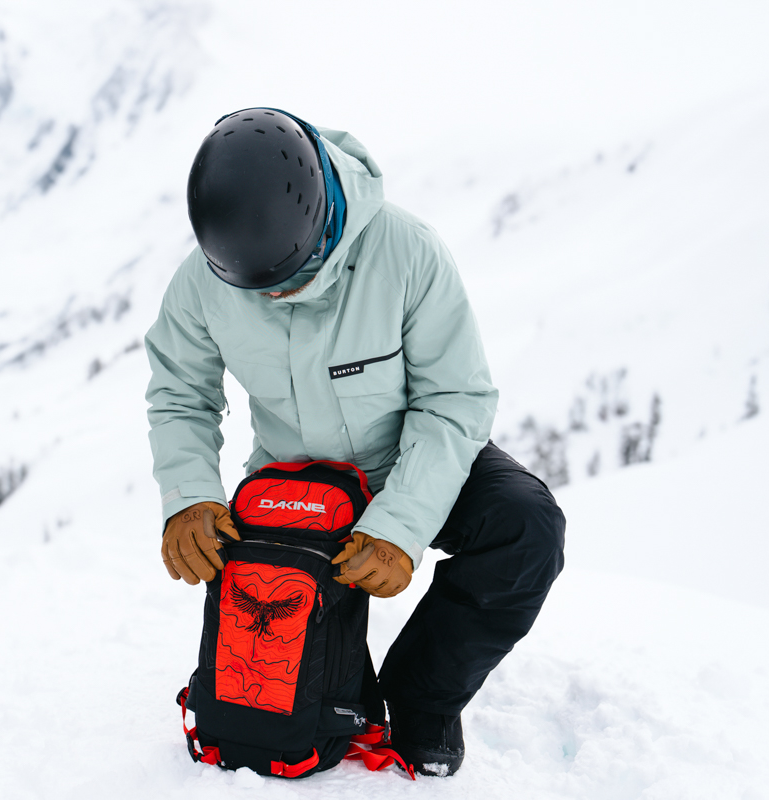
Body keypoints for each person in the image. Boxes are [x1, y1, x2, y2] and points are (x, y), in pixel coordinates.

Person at [145, 108, 565, 777]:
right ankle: (323, 690)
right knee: (284, 704)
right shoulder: (202, 281)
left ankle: (422, 702)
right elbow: (180, 394)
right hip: (292, 483)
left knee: (525, 527)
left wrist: (399, 527)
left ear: (320, 222)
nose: (278, 296)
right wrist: (188, 496)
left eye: (291, 278)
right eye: (260, 288)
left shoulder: (406, 252)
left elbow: (453, 400)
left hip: (406, 462)